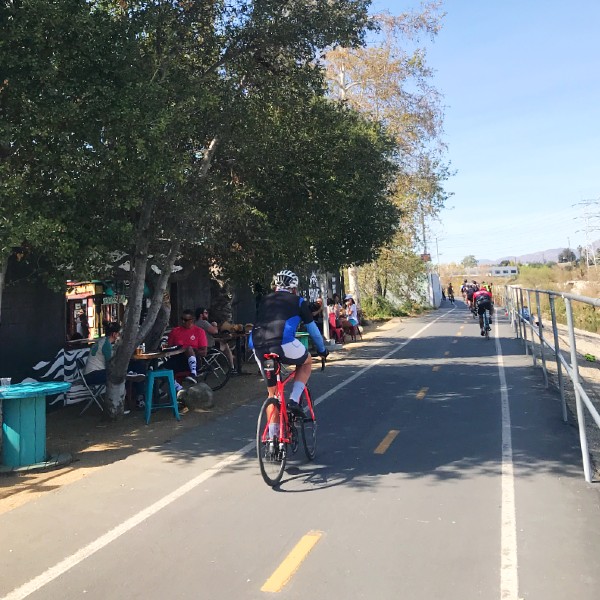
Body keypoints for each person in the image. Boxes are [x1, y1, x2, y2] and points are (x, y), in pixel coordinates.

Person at [249, 269, 328, 418]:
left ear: (275, 287)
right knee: (306, 361)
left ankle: (273, 432)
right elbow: (314, 332)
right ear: (294, 288)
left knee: (272, 394)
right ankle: (294, 400)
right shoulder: (298, 301)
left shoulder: (264, 300)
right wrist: (322, 350)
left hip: (257, 344)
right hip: (282, 343)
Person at [163, 308, 208, 383]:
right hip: (177, 358)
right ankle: (178, 388)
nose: (183, 322)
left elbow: (204, 352)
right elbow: (169, 348)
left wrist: (192, 350)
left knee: (188, 348)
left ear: (192, 320)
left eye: (186, 320)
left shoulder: (199, 331)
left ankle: (193, 373)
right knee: (161, 371)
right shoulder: (175, 331)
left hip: (193, 359)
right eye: (182, 319)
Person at [194, 306, 236, 373]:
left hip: (200, 346)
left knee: (221, 341)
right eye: (206, 313)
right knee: (226, 345)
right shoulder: (203, 322)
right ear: (201, 315)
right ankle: (232, 368)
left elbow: (205, 337)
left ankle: (232, 364)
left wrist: (218, 339)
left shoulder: (195, 324)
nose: (207, 314)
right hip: (209, 347)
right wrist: (215, 325)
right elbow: (215, 331)